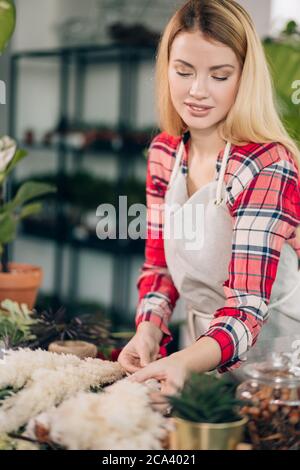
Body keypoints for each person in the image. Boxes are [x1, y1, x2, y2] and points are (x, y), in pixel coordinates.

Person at [118, 0, 300, 412]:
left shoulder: (267, 164)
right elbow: (158, 267)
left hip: (278, 371)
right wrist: (149, 329)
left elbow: (247, 305)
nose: (197, 91)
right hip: (198, 357)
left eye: (219, 75)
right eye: (183, 71)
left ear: (244, 79)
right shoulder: (165, 153)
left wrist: (184, 362)